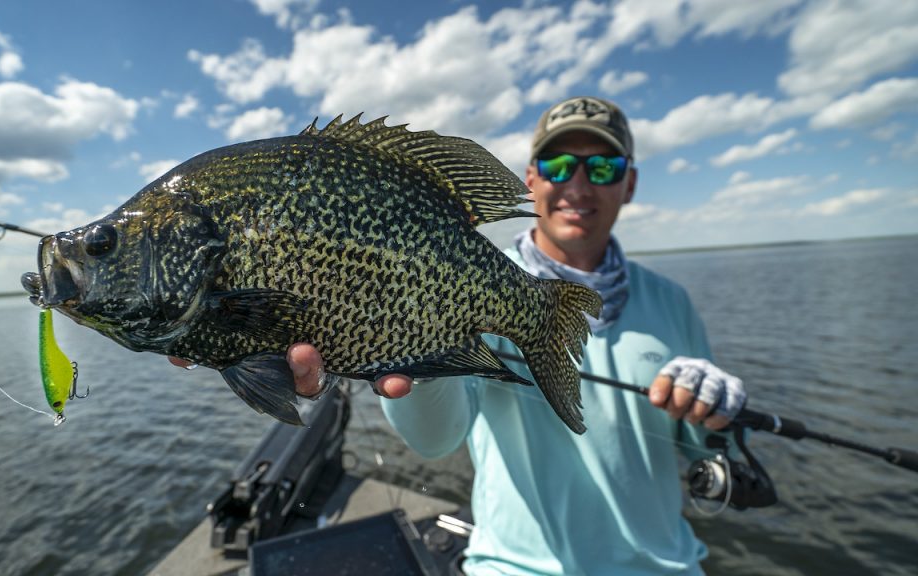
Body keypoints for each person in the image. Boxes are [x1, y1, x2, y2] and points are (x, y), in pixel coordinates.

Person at [178, 96, 747, 575]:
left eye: (602, 168)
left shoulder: (672, 301)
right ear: (531, 179)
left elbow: (705, 448)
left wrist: (718, 413)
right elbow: (437, 440)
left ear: (630, 184)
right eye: (556, 166)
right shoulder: (476, 274)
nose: (577, 183)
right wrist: (401, 345)